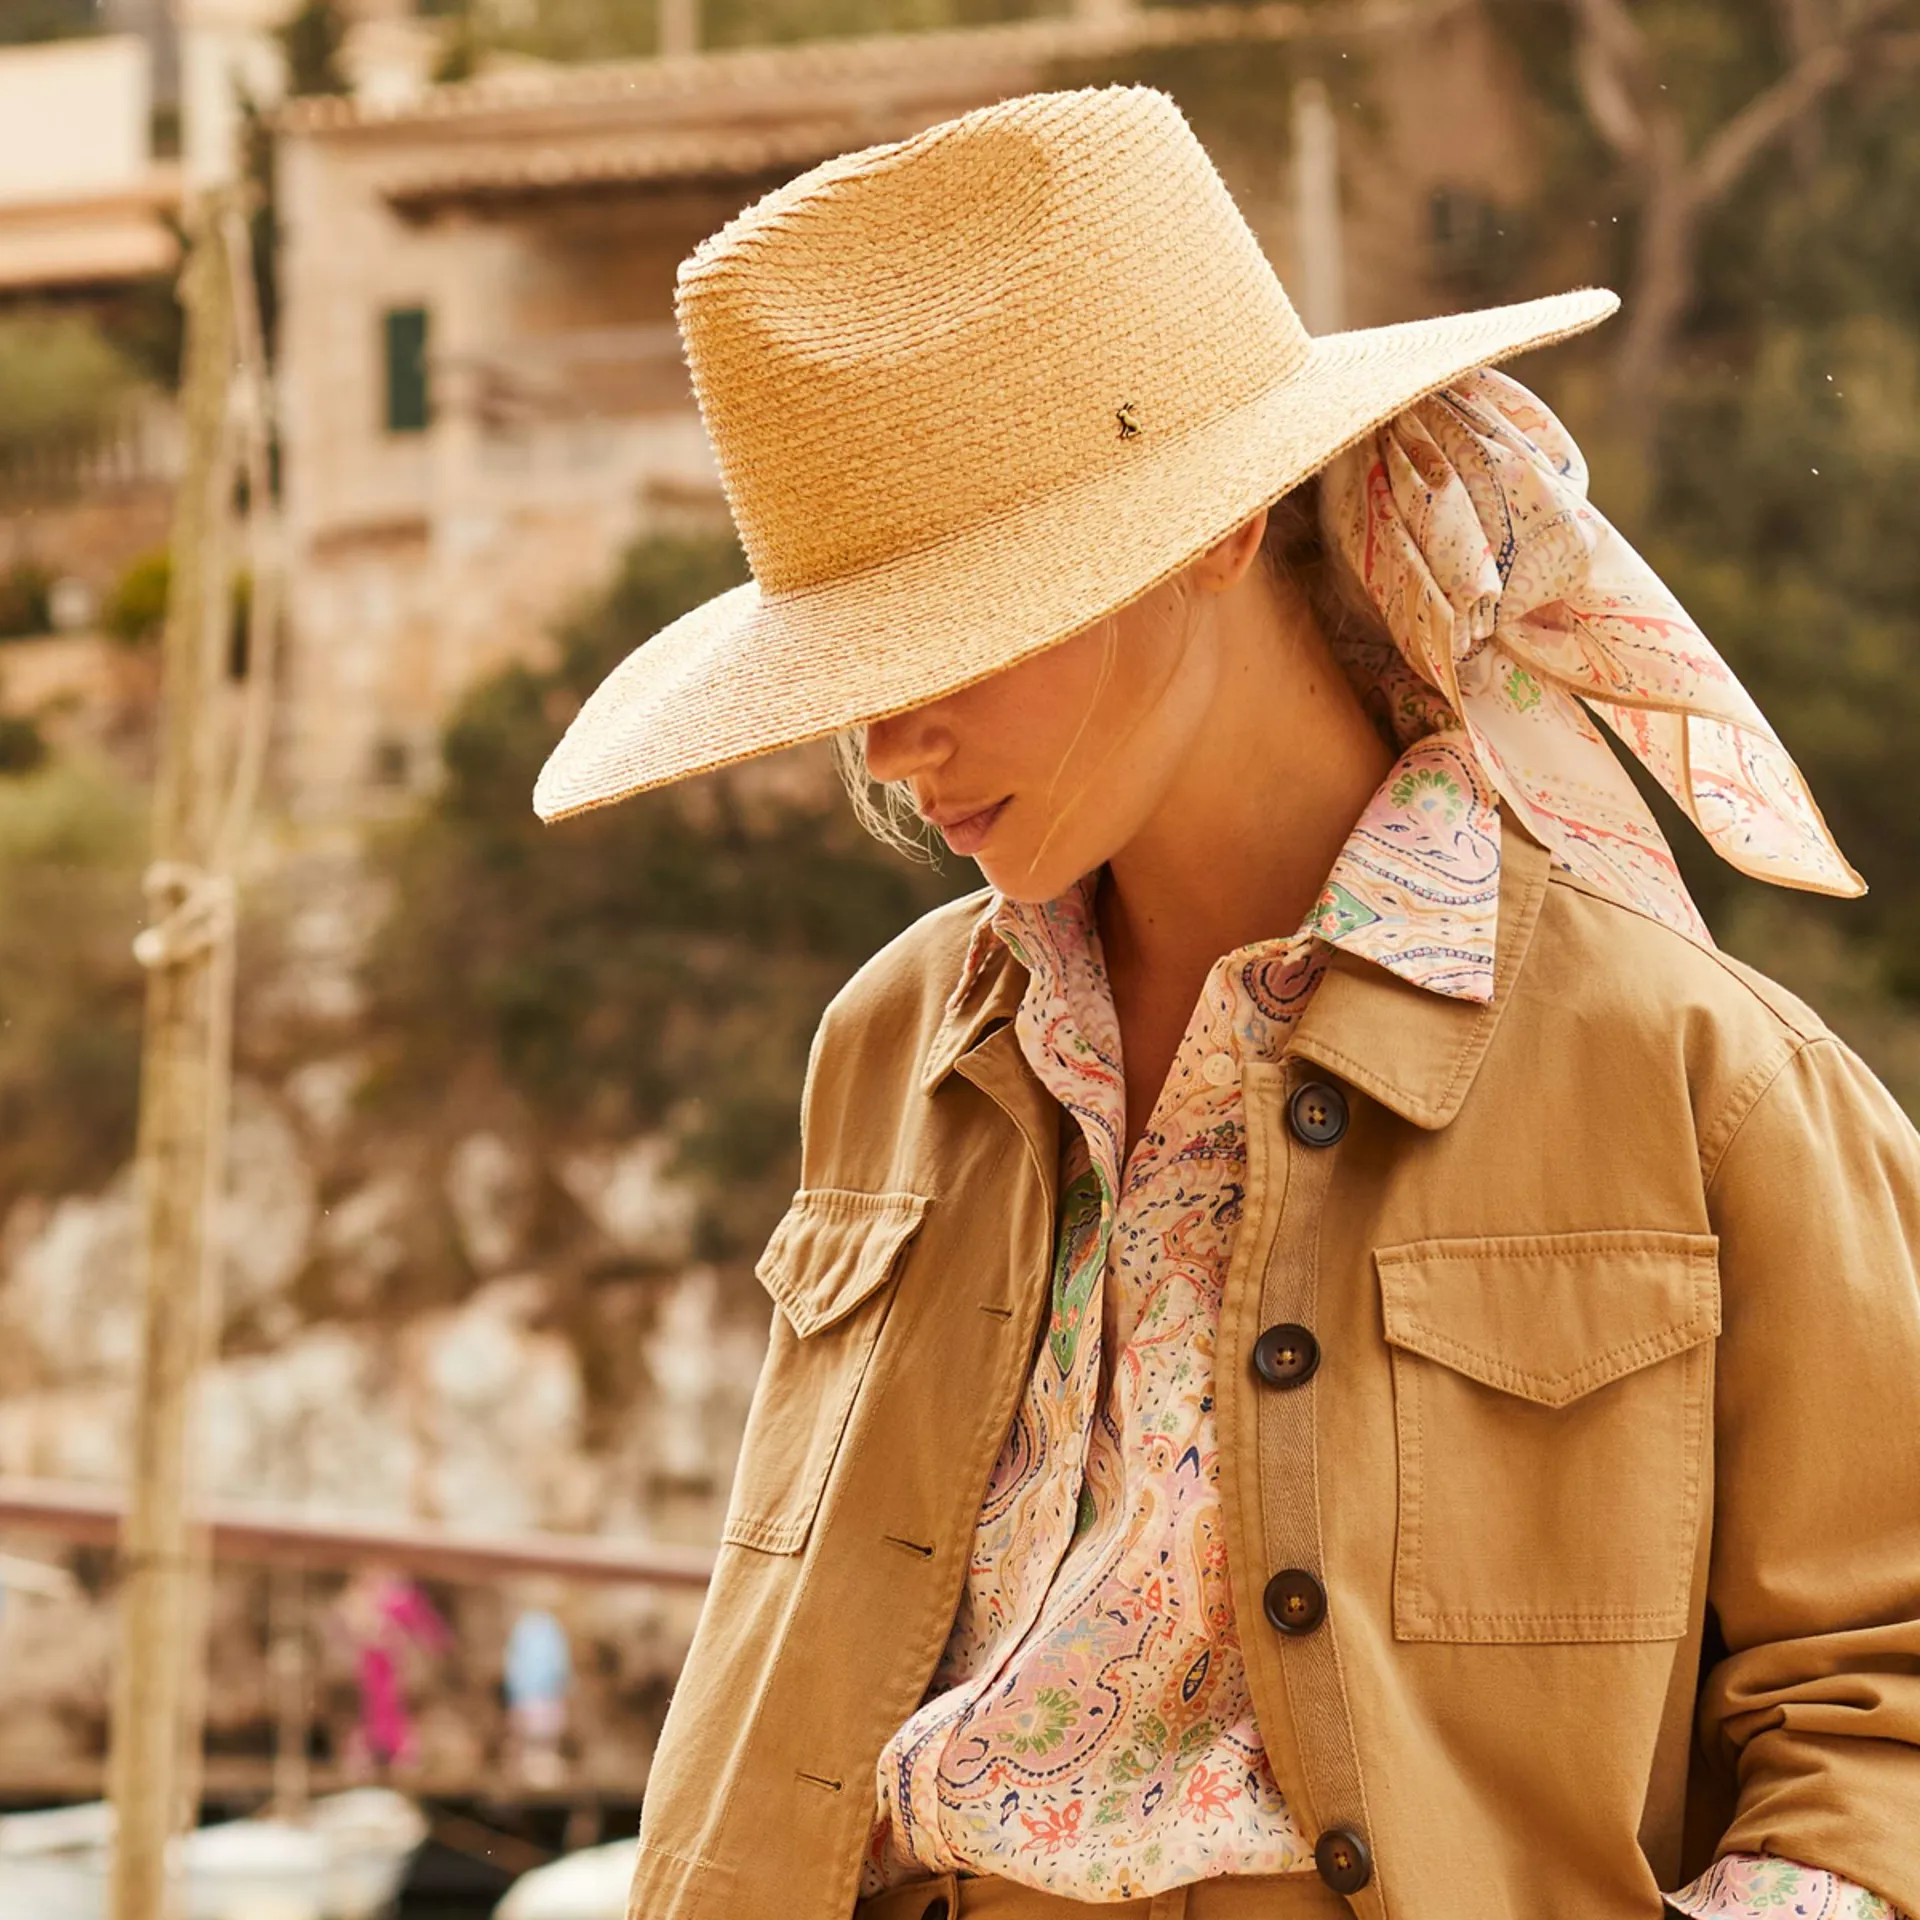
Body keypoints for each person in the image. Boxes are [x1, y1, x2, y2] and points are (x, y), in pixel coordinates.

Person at [532, 86, 1920, 1920]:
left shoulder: (1695, 1076)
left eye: (949, 629)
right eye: (851, 663)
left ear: (1212, 529)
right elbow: (799, 1672)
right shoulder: (895, 1049)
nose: (884, 740)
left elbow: (1885, 1707)